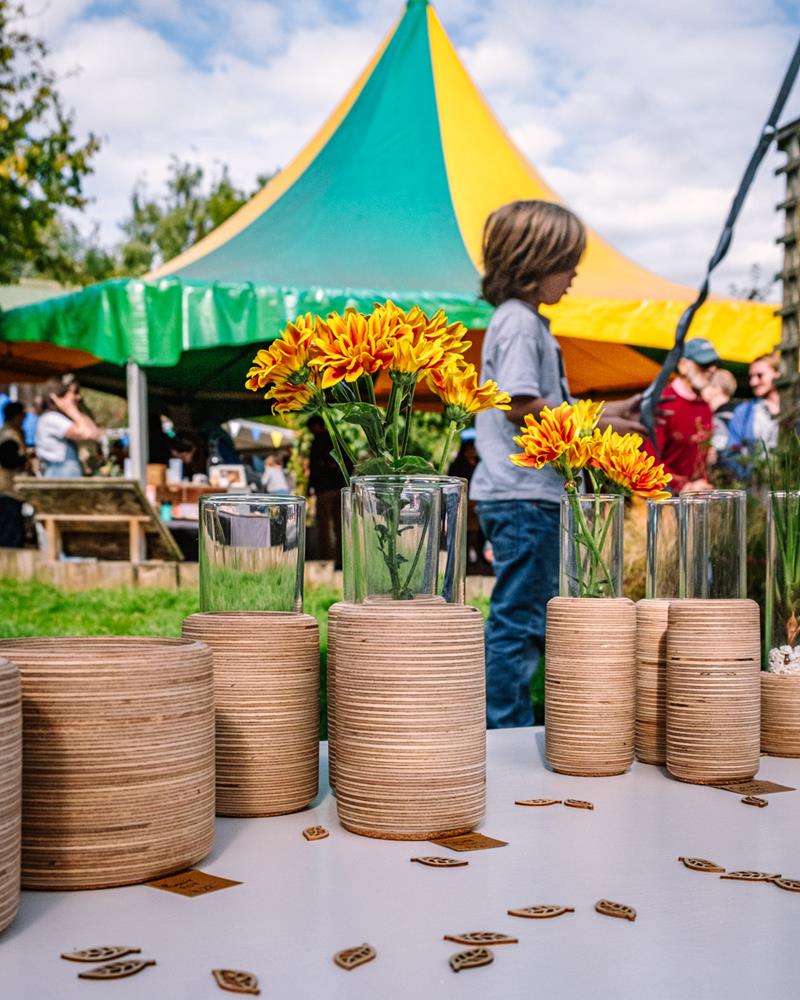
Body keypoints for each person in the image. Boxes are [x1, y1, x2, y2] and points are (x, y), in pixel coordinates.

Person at [470, 200, 644, 730]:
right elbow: (523, 405)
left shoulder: (524, 322)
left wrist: (608, 411)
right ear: (533, 262)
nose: (573, 276)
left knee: (528, 612)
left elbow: (539, 399)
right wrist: (596, 426)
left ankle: (512, 719)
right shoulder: (520, 324)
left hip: (523, 492)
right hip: (523, 493)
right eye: (567, 264)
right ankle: (504, 726)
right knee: (519, 620)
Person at [652, 338, 720, 493]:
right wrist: (684, 487)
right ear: (683, 366)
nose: (712, 369)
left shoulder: (704, 405)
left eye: (714, 364)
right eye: (704, 364)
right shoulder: (663, 402)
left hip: (697, 499)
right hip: (666, 499)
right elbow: (649, 458)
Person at [35, 376, 101, 477]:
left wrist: (75, 411)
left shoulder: (61, 418)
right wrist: (70, 409)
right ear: (57, 397)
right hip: (59, 472)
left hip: (66, 472)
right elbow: (87, 433)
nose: (77, 397)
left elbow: (94, 432)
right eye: (72, 394)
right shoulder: (50, 418)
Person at [307, 414, 348, 568]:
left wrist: (310, 487)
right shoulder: (336, 439)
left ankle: (326, 561)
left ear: (316, 426)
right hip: (338, 488)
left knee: (324, 526)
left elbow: (314, 468)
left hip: (324, 489)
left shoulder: (318, 442)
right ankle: (341, 560)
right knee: (340, 526)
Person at [727, 353, 781, 460]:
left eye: (760, 375)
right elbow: (732, 452)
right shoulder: (743, 412)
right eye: (751, 377)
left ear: (777, 373)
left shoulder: (794, 409)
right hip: (755, 474)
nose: (753, 382)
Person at [0, 402, 27, 547]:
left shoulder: (11, 432)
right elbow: (7, 459)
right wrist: (24, 459)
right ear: (16, 416)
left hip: (10, 490)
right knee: (10, 533)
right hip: (8, 489)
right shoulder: (9, 434)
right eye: (23, 415)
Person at [701, 367, 738, 465]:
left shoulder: (717, 420)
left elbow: (717, 456)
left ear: (716, 389)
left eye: (704, 386)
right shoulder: (739, 414)